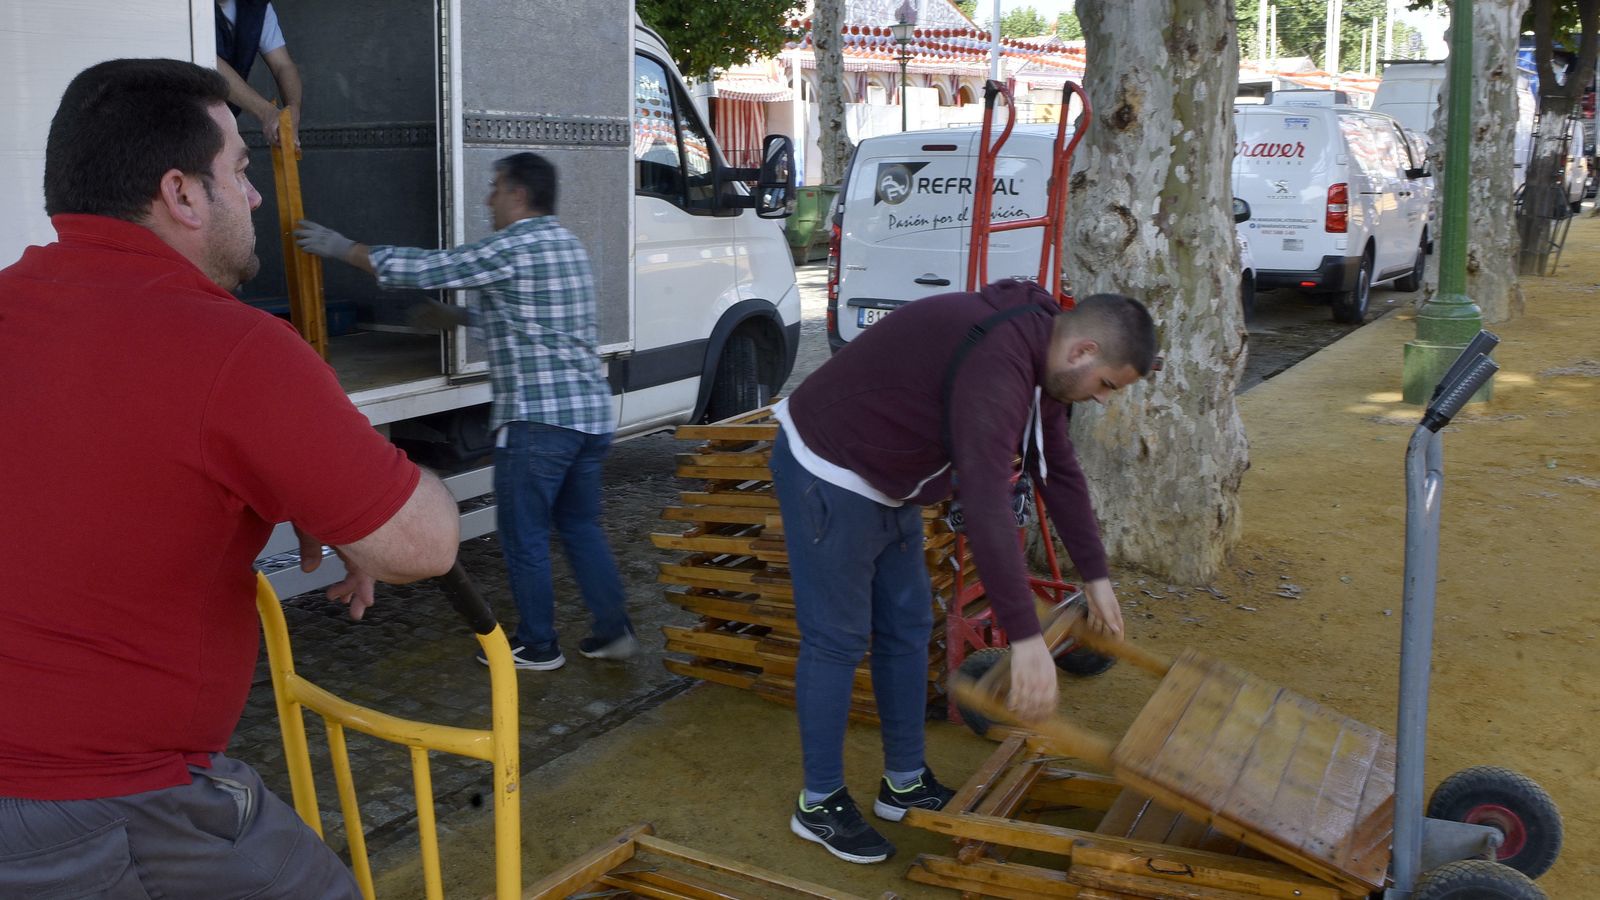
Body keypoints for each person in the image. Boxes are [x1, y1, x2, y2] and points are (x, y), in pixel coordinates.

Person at [0, 59, 460, 897]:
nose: (254, 197)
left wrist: (300, 485)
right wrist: (380, 489)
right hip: (100, 801)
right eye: (241, 172)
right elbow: (421, 544)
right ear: (181, 194)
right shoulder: (233, 347)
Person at [770, 283, 1157, 864]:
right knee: (837, 640)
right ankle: (819, 802)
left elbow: (1059, 471)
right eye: (1106, 385)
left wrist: (1097, 579)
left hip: (891, 479)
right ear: (1083, 352)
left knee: (905, 628)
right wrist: (1026, 640)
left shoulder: (1043, 354)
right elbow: (983, 502)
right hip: (831, 467)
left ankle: (903, 782)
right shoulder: (1000, 365)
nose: (1102, 399)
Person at [294, 152, 638, 672]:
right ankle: (615, 632)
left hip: (538, 421)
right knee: (580, 527)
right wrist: (460, 317)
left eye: (496, 188)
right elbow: (534, 319)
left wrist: (343, 249)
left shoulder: (514, 244)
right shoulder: (566, 245)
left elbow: (432, 266)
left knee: (523, 536)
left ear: (519, 195)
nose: (488, 199)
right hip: (587, 417)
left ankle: (538, 645)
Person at [215, 0, 303, 147]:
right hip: (181, 118)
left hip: (223, 122)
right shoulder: (183, 7)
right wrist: (266, 112)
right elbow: (210, 63)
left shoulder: (258, 6)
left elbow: (283, 66)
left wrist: (293, 109)